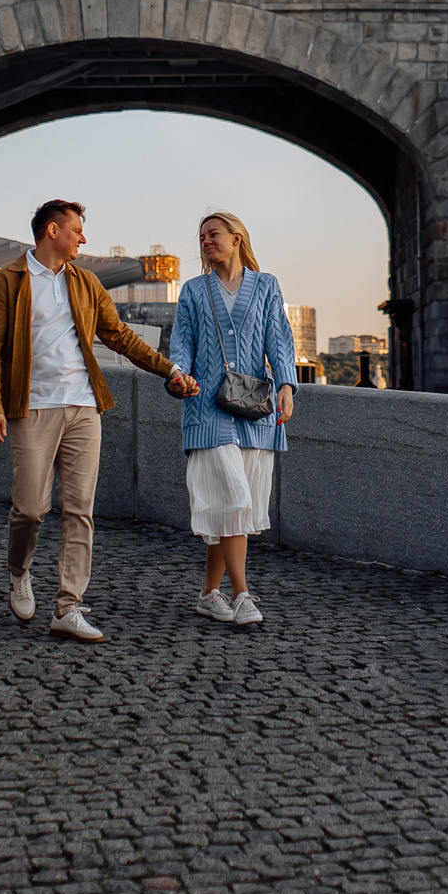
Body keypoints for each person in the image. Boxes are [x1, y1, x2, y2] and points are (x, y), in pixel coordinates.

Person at [0, 198, 196, 643]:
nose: (83, 238)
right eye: (77, 230)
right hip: (31, 408)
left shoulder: (86, 282)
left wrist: (169, 369)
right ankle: (20, 572)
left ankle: (68, 607)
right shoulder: (10, 282)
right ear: (53, 231)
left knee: (80, 511)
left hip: (83, 408)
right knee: (32, 509)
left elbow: (120, 335)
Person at [166, 211, 296, 627]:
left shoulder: (267, 286)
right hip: (206, 406)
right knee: (236, 499)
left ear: (237, 238)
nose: (205, 241)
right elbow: (182, 340)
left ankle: (208, 593)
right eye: (201, 236)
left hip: (255, 409)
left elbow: (279, 338)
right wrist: (178, 375)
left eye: (213, 234)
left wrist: (287, 385)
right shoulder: (192, 290)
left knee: (230, 508)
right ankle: (242, 594)